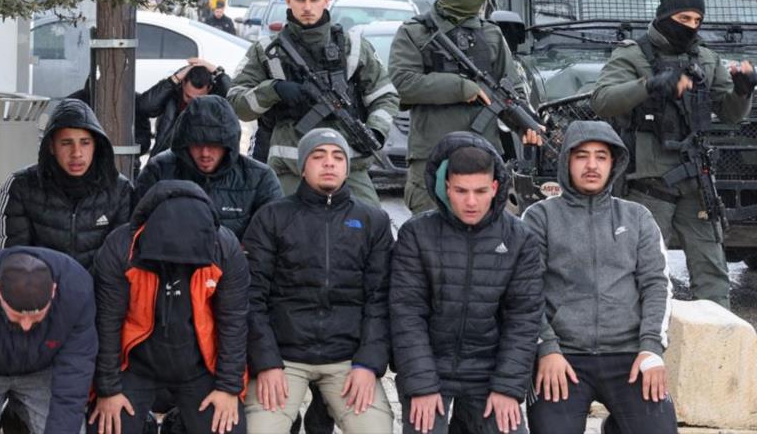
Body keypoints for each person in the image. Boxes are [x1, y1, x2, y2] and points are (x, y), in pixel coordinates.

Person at [591, 0, 757, 309]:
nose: (691, 26)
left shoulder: (706, 58)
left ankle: (717, 347)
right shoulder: (633, 54)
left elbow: (729, 113)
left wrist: (743, 91)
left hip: (695, 179)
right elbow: (602, 100)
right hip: (649, 183)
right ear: (666, 15)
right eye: (684, 18)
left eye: (698, 20)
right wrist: (650, 85)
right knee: (642, 272)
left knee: (712, 273)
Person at [522, 120, 676, 434]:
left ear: (613, 163)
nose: (592, 165)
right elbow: (524, 291)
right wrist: (546, 348)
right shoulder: (540, 217)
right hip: (563, 358)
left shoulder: (637, 217)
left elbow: (656, 285)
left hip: (629, 356)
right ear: (566, 161)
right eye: (581, 156)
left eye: (601, 156)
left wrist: (650, 349)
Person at [390, 131, 543, 434]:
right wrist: (421, 385)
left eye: (480, 191)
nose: (471, 202)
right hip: (430, 368)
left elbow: (524, 319)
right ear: (446, 187)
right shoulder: (416, 234)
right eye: (460, 191)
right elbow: (406, 314)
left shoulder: (520, 239)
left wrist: (508, 388)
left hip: (489, 373)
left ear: (495, 186)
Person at [242, 128, 394, 433]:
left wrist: (368, 364)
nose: (329, 163)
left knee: (376, 429)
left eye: (338, 157)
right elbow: (251, 297)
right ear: (302, 166)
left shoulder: (372, 222)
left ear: (347, 167)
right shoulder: (272, 218)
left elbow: (381, 299)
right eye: (318, 156)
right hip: (284, 359)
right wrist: (266, 362)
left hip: (348, 361)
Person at [88, 180, 249, 434]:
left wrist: (228, 388)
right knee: (106, 427)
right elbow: (107, 322)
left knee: (227, 428)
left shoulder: (224, 248)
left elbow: (234, 321)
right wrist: (108, 390)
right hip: (134, 365)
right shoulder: (121, 248)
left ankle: (177, 422)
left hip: (199, 366)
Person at [228, 0, 399, 206]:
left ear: (326, 0)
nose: (307, 7)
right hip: (289, 168)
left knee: (373, 230)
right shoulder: (266, 50)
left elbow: (385, 95)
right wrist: (273, 90)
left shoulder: (353, 46)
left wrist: (377, 130)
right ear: (288, 0)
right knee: (276, 232)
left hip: (348, 166)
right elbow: (236, 103)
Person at [388, 0, 541, 215]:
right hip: (433, 156)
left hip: (482, 156)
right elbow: (405, 83)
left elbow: (509, 91)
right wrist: (461, 87)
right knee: (430, 240)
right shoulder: (415, 32)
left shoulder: (491, 34)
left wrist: (525, 122)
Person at [0, 247, 97, 434]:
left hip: (42, 372)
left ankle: (14, 416)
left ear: (54, 290)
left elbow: (75, 373)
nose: (26, 326)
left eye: (36, 316)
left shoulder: (76, 290)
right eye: (17, 316)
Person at [0, 99, 133, 272]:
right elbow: (14, 260)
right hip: (42, 292)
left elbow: (121, 264)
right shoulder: (22, 187)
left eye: (85, 143)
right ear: (51, 147)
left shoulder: (119, 190)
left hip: (98, 294)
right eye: (66, 143)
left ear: (96, 146)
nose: (76, 153)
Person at [135, 95, 282, 239]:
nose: (205, 153)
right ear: (185, 143)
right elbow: (137, 231)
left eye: (214, 145)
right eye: (197, 144)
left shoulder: (260, 178)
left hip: (234, 261)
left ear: (228, 144)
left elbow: (269, 241)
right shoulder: (158, 170)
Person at [138, 58, 232, 157]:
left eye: (198, 98)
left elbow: (233, 97)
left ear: (209, 89)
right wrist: (175, 79)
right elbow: (145, 107)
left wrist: (216, 71)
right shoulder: (173, 94)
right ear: (183, 84)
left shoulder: (215, 103)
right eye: (188, 96)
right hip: (167, 161)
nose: (192, 102)